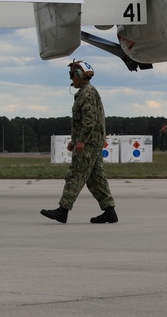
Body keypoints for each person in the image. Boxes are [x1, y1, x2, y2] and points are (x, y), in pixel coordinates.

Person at [41, 60, 118, 224]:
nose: (71, 80)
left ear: (78, 76)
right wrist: (74, 141)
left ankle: (63, 210)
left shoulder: (87, 94)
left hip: (89, 143)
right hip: (92, 141)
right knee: (95, 178)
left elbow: (89, 122)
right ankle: (109, 211)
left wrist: (81, 141)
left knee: (76, 174)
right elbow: (83, 122)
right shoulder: (87, 92)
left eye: (72, 76)